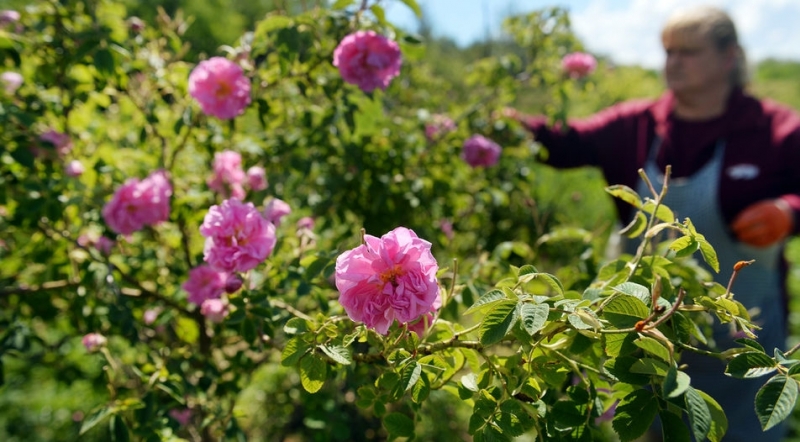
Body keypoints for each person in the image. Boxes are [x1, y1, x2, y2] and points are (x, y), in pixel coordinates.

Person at [507, 5, 800, 441]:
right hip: (653, 337)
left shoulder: (774, 129)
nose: (673, 62)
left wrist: (789, 211)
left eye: (688, 52)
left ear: (728, 57)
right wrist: (503, 126)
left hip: (745, 345)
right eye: (668, 52)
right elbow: (562, 143)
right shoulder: (637, 125)